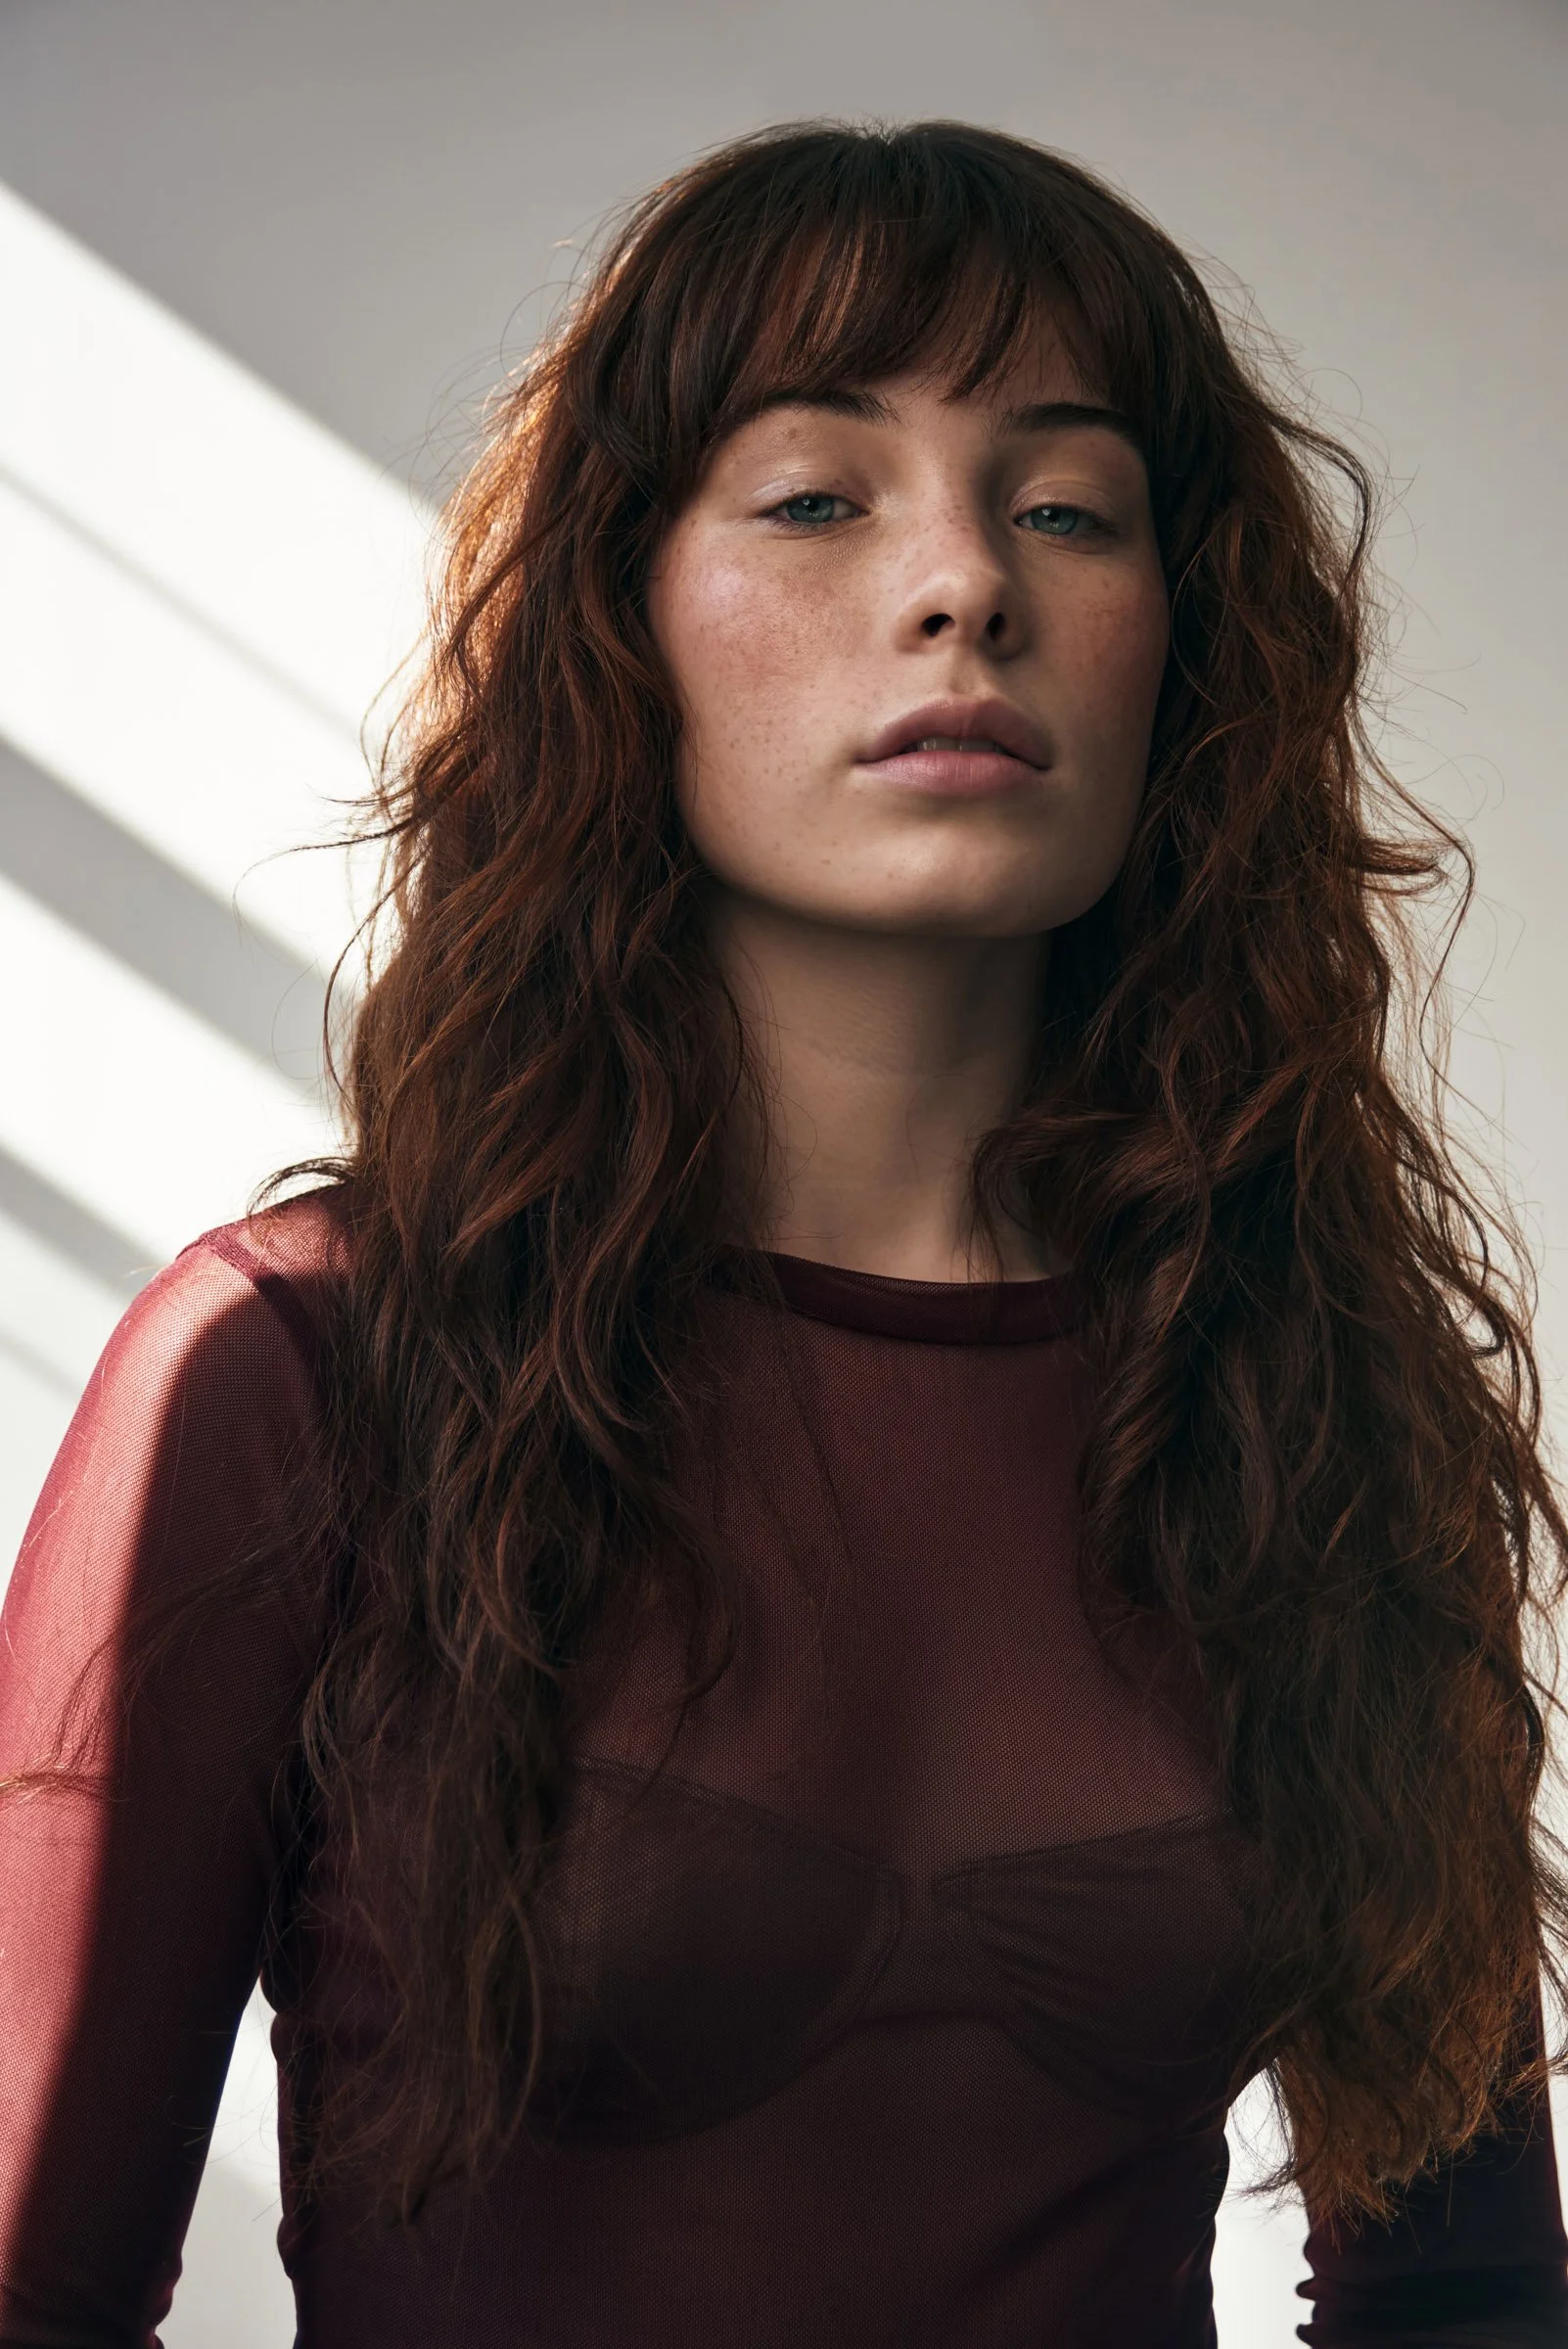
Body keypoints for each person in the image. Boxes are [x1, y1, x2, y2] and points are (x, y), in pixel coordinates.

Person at [2, 117, 1566, 2348]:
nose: (964, 585)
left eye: (1065, 505)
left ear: (1180, 654)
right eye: (820, 494)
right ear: (619, 612)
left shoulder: (1322, 1406)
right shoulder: (296, 1378)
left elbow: (1469, 2297)